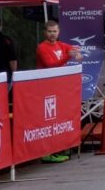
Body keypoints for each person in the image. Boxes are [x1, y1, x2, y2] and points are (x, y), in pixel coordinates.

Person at [35, 19, 82, 163]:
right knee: (50, 120)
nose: (52, 34)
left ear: (59, 32)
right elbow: (51, 65)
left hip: (58, 87)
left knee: (59, 119)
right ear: (45, 32)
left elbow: (74, 49)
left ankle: (60, 148)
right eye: (49, 31)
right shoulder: (42, 47)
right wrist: (69, 56)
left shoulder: (61, 45)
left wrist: (76, 53)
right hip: (45, 88)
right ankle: (48, 152)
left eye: (55, 31)